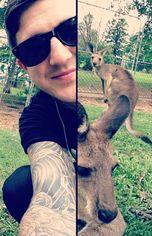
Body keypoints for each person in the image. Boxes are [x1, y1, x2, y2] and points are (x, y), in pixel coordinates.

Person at [2, 0, 78, 234]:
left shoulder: (112, 96)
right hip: (79, 179)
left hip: (97, 180)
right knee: (20, 185)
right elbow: (52, 188)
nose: (60, 57)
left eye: (71, 30)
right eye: (34, 48)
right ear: (23, 65)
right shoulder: (36, 116)